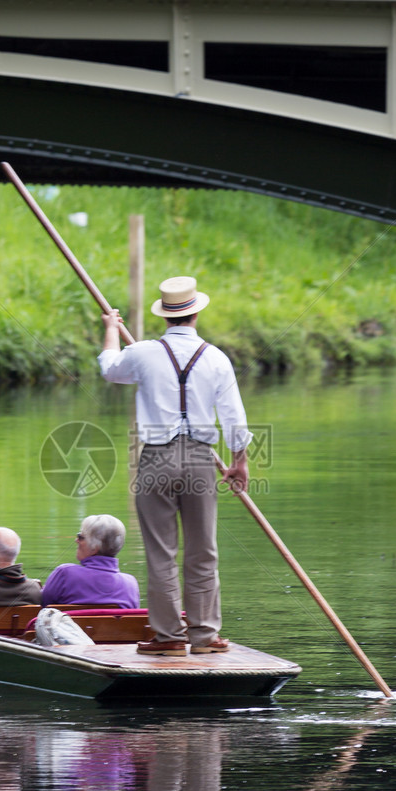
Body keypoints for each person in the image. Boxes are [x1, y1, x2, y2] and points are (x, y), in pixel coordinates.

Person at [98, 275, 251, 655]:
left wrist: (112, 330)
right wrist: (239, 462)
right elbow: (234, 418)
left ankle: (168, 638)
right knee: (204, 550)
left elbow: (110, 368)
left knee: (161, 552)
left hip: (156, 459)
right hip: (200, 458)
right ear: (196, 313)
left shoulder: (144, 353)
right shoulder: (216, 358)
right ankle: (204, 637)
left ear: (165, 317)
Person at [42, 514, 140, 609]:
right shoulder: (131, 584)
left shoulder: (64, 574)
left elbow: (43, 606)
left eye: (80, 537)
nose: (76, 540)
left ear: (95, 547)